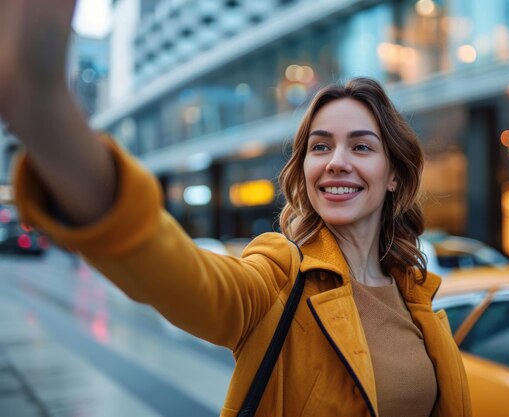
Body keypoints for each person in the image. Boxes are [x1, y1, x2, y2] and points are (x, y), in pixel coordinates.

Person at [0, 1, 471, 416]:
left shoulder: (417, 295)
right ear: (304, 167)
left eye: (362, 147)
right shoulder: (279, 277)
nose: (337, 163)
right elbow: (180, 275)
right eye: (320, 146)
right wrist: (44, 107)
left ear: (394, 175)